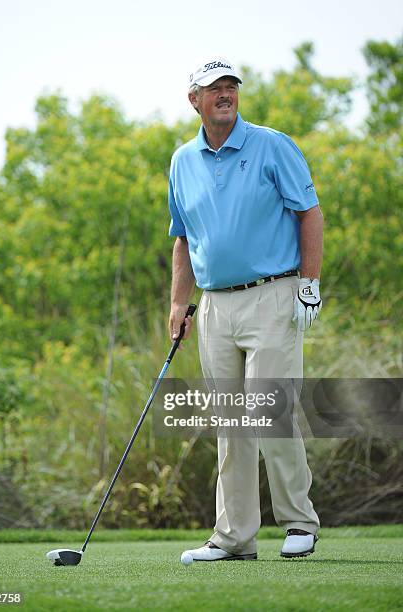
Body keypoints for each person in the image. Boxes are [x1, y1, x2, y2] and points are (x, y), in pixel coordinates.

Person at [168, 57, 323, 561]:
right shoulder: (182, 161)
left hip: (273, 296)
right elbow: (183, 237)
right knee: (231, 424)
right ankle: (234, 537)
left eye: (231, 85)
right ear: (194, 99)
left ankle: (299, 522)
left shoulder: (272, 145)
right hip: (215, 306)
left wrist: (309, 283)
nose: (225, 94)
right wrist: (178, 302)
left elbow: (309, 213)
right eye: (214, 88)